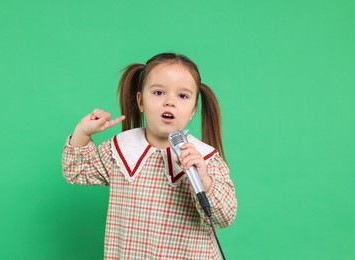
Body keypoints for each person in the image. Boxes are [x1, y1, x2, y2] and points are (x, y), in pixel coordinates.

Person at [62, 53, 237, 259]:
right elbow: (77, 171)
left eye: (183, 96)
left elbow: (224, 217)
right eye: (159, 92)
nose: (170, 102)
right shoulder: (119, 150)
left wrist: (204, 180)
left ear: (193, 109)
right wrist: (83, 132)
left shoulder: (204, 159)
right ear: (140, 101)